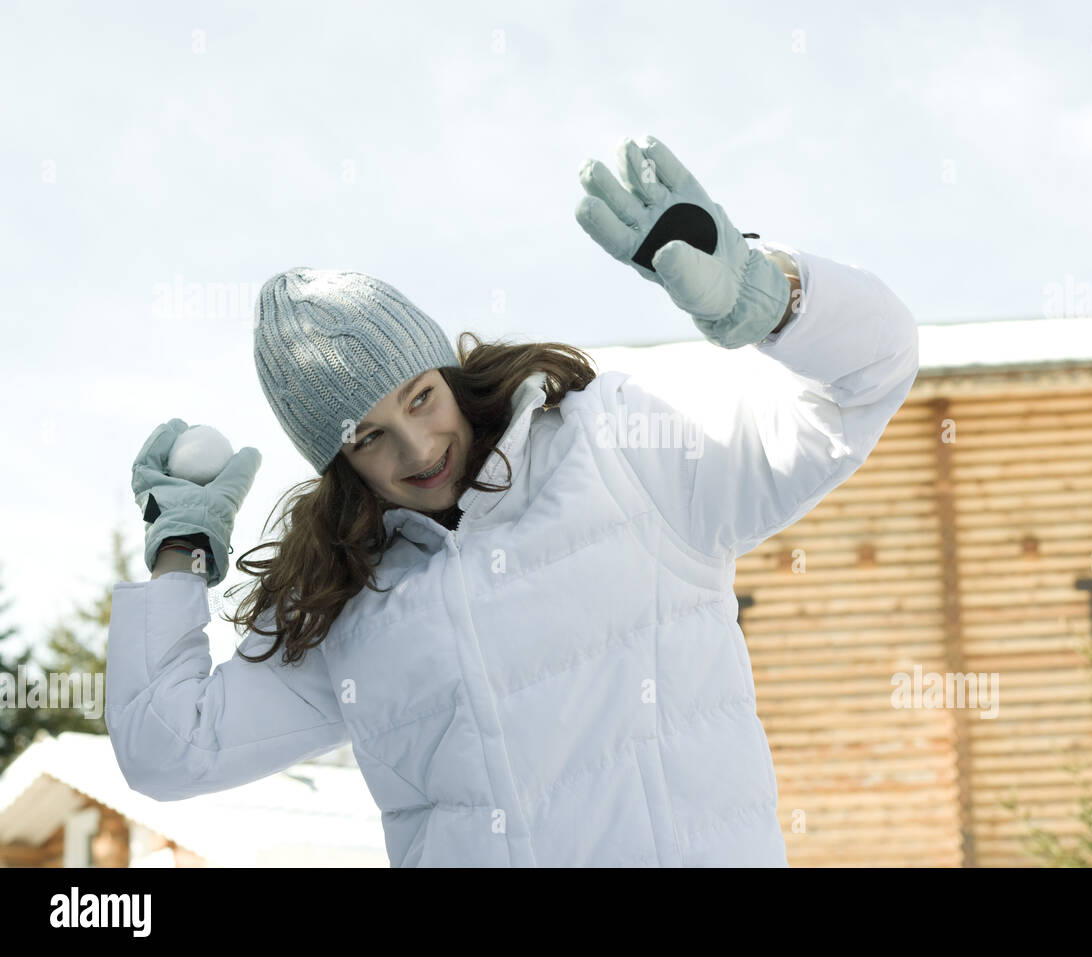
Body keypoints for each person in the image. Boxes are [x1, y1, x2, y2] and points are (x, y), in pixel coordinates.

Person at [106, 134, 920, 867]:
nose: (417, 450)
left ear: (448, 372)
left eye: (421, 398)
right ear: (338, 462)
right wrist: (181, 550)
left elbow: (872, 373)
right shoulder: (347, 607)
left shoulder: (623, 446)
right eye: (369, 437)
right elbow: (170, 749)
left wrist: (765, 294)